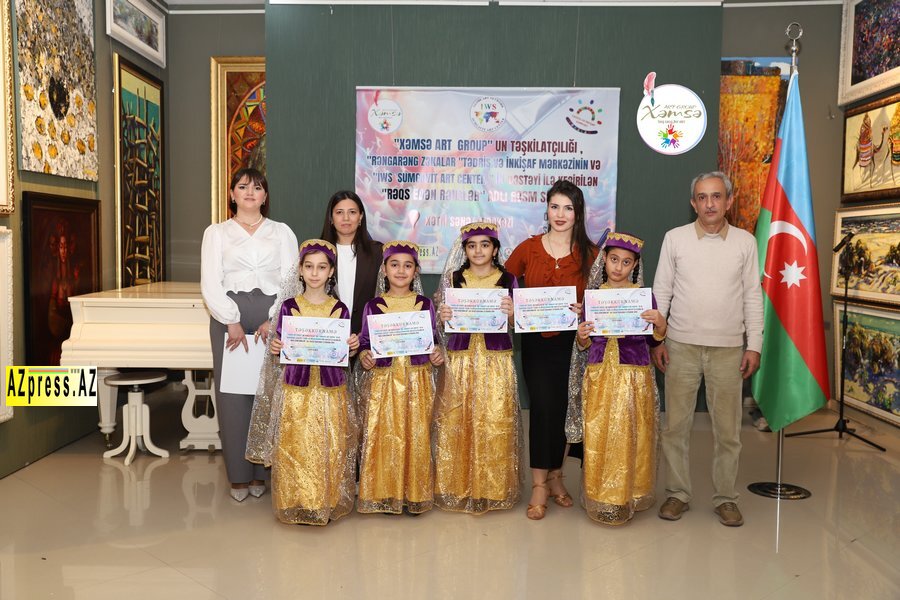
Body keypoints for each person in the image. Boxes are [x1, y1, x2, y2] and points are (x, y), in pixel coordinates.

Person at [651, 171, 763, 527]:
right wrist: (657, 339)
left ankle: (726, 498)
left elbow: (752, 296)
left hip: (729, 350)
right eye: (702, 197)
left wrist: (754, 345)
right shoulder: (675, 239)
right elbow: (662, 292)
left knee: (728, 432)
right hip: (680, 346)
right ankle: (677, 494)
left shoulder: (746, 242)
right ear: (693, 203)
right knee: (675, 428)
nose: (709, 203)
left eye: (716, 196)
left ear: (728, 201)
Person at [201, 167, 299, 502]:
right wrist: (230, 320)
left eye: (257, 188)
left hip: (272, 318)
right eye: (242, 187)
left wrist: (274, 319)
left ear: (265, 196)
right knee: (233, 398)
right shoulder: (216, 233)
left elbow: (291, 279)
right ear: (232, 194)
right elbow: (210, 282)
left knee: (268, 394)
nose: (249, 193)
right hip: (229, 318)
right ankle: (239, 477)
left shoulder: (281, 232)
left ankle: (261, 474)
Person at [247, 239, 359, 525]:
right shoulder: (288, 307)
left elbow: (344, 352)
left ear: (331, 272)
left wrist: (351, 347)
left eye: (321, 267)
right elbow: (280, 346)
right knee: (296, 444)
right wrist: (276, 347)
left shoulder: (340, 310)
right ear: (300, 270)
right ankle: (295, 500)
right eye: (309, 266)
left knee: (327, 444)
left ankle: (324, 501)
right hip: (296, 391)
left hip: (329, 391)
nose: (314, 273)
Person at [506, 180, 599, 520]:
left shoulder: (591, 254)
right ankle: (539, 485)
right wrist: (511, 307)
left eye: (568, 208)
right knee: (543, 407)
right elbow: (504, 285)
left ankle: (557, 476)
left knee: (565, 409)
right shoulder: (528, 248)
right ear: (546, 209)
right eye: (555, 206)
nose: (560, 214)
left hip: (575, 344)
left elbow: (603, 297)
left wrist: (586, 309)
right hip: (536, 343)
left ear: (578, 213)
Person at [567, 232, 666, 525]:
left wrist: (660, 324)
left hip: (633, 377)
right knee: (601, 433)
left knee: (631, 434)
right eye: (613, 260)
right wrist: (582, 336)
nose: (618, 267)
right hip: (600, 376)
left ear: (634, 265)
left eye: (626, 262)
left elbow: (654, 339)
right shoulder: (592, 298)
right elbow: (584, 343)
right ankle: (602, 495)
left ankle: (628, 494)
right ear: (605, 261)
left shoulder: (643, 298)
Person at [433, 222, 522, 514]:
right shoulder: (453, 278)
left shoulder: (508, 280)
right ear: (465, 250)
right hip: (461, 360)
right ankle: (457, 486)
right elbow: (439, 323)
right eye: (472, 246)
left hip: (496, 361)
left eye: (485, 245)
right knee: (457, 419)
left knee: (495, 419)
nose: (478, 251)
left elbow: (518, 325)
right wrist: (443, 314)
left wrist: (513, 314)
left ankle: (492, 488)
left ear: (495, 249)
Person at [356, 240, 444, 515]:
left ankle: (415, 494)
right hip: (384, 381)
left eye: (408, 266)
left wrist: (437, 353)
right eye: (394, 265)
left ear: (416, 271)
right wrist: (364, 356)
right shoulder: (374, 306)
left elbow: (434, 339)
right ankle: (386, 493)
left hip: (417, 380)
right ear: (384, 269)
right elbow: (364, 342)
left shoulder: (424, 304)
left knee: (416, 433)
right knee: (386, 434)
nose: (401, 271)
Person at [320, 190, 384, 335]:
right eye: (339, 212)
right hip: (326, 336)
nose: (346, 218)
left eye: (352, 212)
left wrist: (367, 335)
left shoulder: (377, 252)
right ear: (331, 218)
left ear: (360, 217)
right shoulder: (318, 252)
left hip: (366, 337)